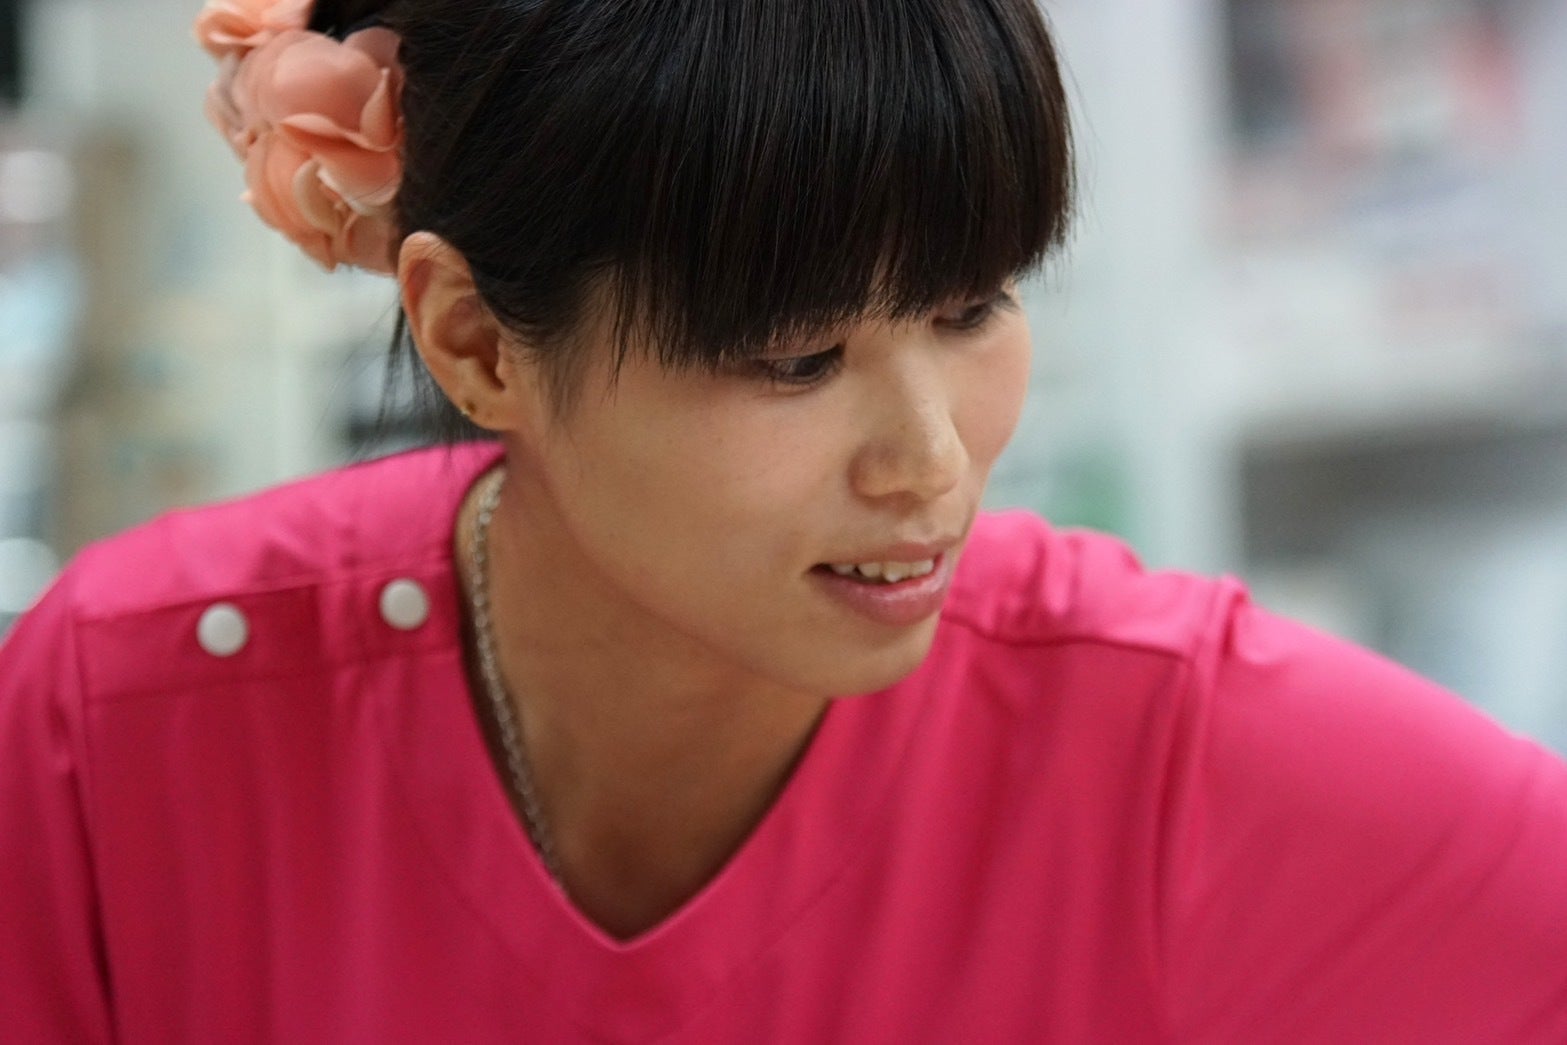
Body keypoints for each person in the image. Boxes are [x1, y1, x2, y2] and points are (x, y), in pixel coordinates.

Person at [2, 0, 1565, 1040]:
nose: (930, 463)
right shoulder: (124, 717)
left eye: (970, 307)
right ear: (475, 342)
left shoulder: (1165, 744)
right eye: (796, 358)